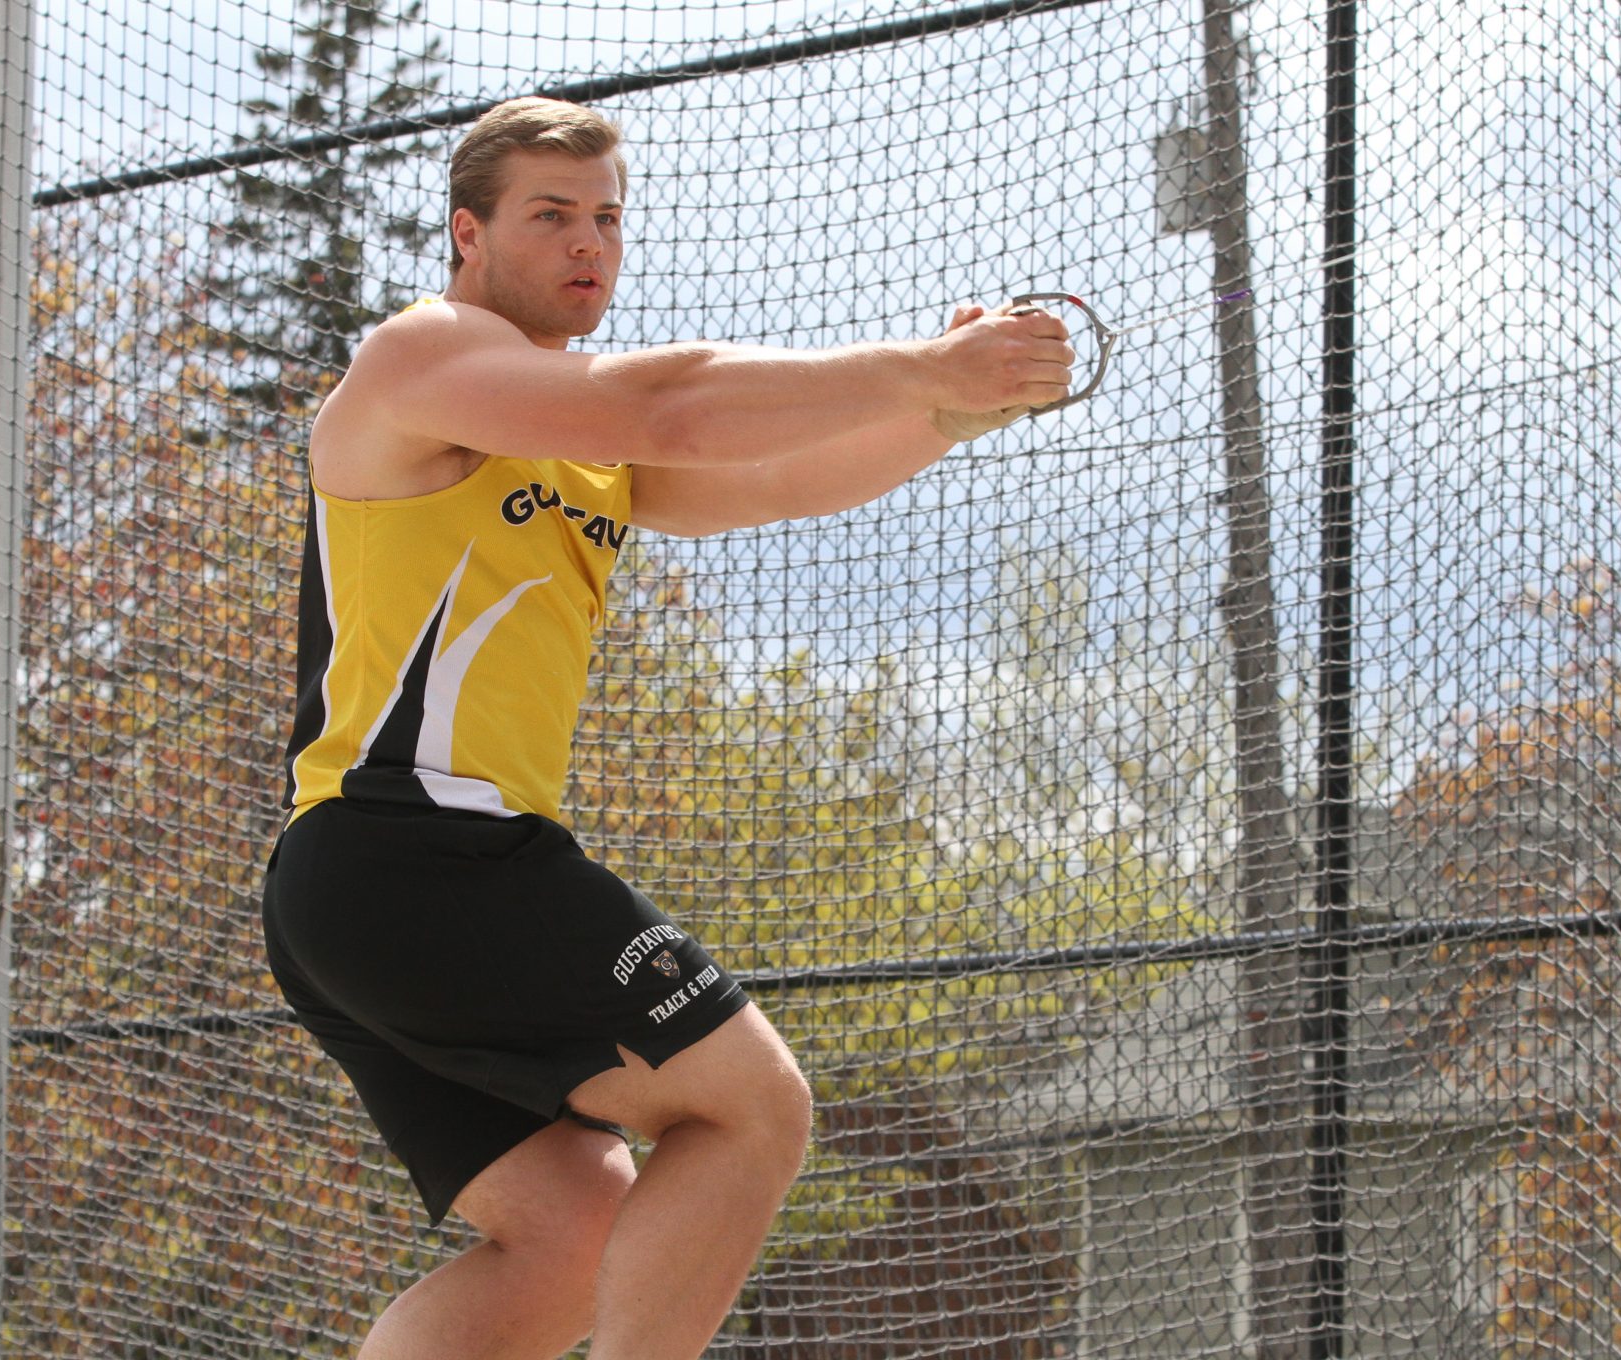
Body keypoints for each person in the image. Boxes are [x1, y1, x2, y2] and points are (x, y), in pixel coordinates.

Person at [261, 95, 1073, 1360]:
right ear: (466, 234)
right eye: (550, 216)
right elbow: (675, 406)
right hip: (417, 852)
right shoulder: (419, 355)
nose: (589, 243)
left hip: (368, 891)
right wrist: (922, 362)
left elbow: (767, 474)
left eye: (606, 218)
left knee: (574, 1236)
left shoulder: (581, 449)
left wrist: (952, 414)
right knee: (752, 1109)